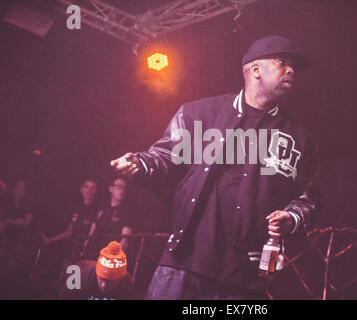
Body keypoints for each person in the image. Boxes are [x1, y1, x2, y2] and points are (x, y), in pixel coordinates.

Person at [111, 35, 321, 299]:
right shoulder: (200, 113)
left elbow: (308, 196)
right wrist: (140, 162)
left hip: (247, 277)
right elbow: (166, 155)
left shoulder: (300, 139)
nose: (291, 69)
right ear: (255, 69)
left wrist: (292, 218)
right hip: (185, 264)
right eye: (282, 62)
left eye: (293, 66)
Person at [42, 178, 100, 261]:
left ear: (96, 191)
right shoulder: (76, 208)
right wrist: (50, 240)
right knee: (67, 273)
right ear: (81, 189)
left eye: (93, 188)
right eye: (87, 187)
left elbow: (92, 234)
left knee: (77, 273)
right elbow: (70, 232)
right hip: (69, 252)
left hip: (86, 256)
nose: (89, 191)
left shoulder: (97, 210)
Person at [58, 241, 135, 300]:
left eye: (110, 281)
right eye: (101, 279)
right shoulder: (78, 274)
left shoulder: (127, 284)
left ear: (119, 279)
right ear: (96, 271)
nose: (104, 285)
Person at [85, 176, 135, 260]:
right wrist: (84, 247)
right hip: (91, 253)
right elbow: (92, 229)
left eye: (124, 188)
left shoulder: (127, 211)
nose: (121, 190)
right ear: (111, 189)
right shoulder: (101, 206)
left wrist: (112, 258)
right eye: (118, 187)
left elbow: (125, 240)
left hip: (108, 257)